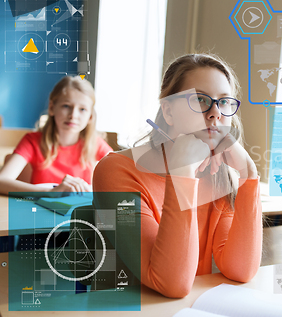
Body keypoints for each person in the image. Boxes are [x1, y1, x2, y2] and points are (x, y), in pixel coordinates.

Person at [93, 53, 262, 298]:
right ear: (168, 111)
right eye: (201, 100)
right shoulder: (116, 171)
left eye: (224, 102)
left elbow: (241, 270)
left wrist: (249, 175)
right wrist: (182, 172)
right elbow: (172, 284)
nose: (215, 113)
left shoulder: (218, 175)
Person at [0, 76, 112, 195]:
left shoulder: (97, 144)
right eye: (66, 106)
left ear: (90, 116)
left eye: (82, 109)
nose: (73, 115)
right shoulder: (32, 141)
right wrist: (51, 191)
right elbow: (2, 181)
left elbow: (123, 172)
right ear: (52, 108)